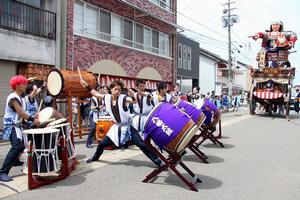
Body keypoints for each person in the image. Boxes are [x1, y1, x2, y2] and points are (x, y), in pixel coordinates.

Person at [80, 79, 162, 167]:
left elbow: (134, 101)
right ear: (110, 89)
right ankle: (96, 157)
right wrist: (87, 87)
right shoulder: (106, 97)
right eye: (115, 89)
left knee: (141, 144)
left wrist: (132, 95)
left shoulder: (123, 98)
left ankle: (158, 161)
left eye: (119, 90)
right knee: (102, 144)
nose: (117, 91)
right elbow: (96, 94)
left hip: (128, 127)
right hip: (116, 127)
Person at [0, 75, 40, 182]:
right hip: (12, 126)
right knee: (17, 146)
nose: (26, 85)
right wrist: (33, 119)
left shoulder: (19, 96)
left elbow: (22, 113)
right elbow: (21, 113)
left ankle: (15, 161)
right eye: (23, 84)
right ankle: (3, 172)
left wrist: (27, 80)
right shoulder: (13, 98)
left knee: (22, 145)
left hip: (17, 126)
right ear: (17, 86)